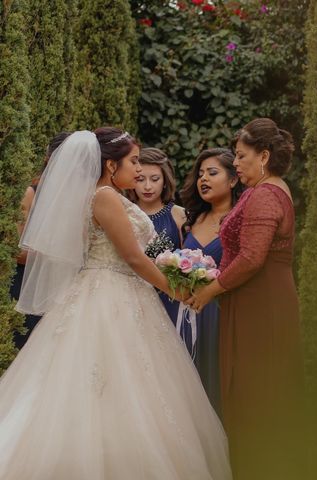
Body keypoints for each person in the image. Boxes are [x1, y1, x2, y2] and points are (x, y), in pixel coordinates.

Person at [0, 128, 231, 479]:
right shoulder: (105, 196)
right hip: (110, 293)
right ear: (110, 165)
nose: (139, 170)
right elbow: (135, 259)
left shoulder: (105, 195)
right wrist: (177, 291)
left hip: (120, 291)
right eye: (134, 161)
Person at [187, 118, 304, 480]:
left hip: (262, 304)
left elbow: (253, 257)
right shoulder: (260, 190)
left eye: (240, 156)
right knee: (246, 394)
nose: (235, 163)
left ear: (264, 156)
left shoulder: (268, 194)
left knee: (257, 393)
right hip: (251, 299)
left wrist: (210, 289)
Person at [179, 148, 243, 413]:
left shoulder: (241, 219)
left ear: (233, 180)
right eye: (200, 173)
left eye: (212, 173)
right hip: (188, 313)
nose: (203, 178)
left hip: (222, 312)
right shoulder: (191, 220)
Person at [10, 132, 71, 348]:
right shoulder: (30, 193)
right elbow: (16, 251)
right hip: (28, 286)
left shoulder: (85, 199)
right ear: (49, 159)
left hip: (67, 291)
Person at [128, 147, 186, 323]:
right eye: (140, 179)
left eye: (155, 179)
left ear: (165, 181)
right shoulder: (124, 214)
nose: (147, 186)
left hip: (170, 297)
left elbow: (188, 259)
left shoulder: (180, 215)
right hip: (130, 298)